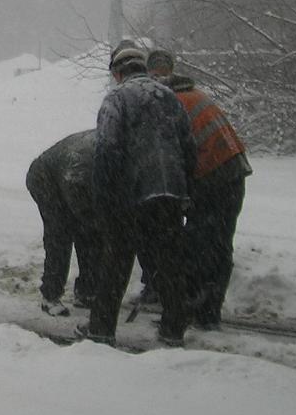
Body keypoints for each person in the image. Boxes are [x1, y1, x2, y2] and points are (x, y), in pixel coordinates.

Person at [81, 41, 196, 347]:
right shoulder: (170, 97)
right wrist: (186, 190)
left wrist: (104, 201)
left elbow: (106, 151)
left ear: (118, 73)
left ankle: (101, 331)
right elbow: (188, 147)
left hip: (131, 197)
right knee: (169, 263)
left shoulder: (116, 99)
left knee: (116, 264)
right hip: (169, 193)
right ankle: (173, 331)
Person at [147, 47, 253, 330]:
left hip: (214, 177)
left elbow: (172, 157)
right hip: (234, 172)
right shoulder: (193, 93)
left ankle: (197, 309)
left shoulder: (170, 104)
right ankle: (208, 311)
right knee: (218, 244)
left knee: (199, 244)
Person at [25, 129, 99, 316]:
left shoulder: (111, 149)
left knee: (88, 235)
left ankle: (87, 291)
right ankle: (50, 295)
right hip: (44, 178)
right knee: (60, 234)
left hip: (66, 176)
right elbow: (81, 205)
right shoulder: (82, 162)